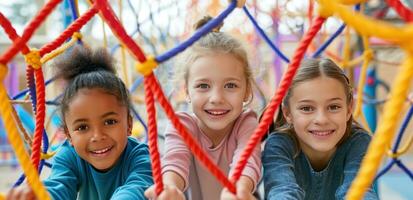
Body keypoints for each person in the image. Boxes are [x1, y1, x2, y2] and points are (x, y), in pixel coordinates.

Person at [6, 46, 153, 200]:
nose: (97, 136)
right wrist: (41, 195)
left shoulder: (139, 155)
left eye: (110, 122)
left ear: (129, 124)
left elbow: (137, 187)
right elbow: (58, 186)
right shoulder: (69, 156)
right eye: (82, 127)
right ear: (68, 134)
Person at [145, 16, 261, 200]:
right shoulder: (181, 125)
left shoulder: (247, 123)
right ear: (187, 91)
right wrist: (169, 187)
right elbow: (175, 161)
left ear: (247, 90)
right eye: (203, 86)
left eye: (230, 85)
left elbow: (247, 161)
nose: (216, 98)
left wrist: (238, 189)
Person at [262, 58, 379, 200]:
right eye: (307, 108)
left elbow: (358, 191)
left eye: (333, 107)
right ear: (288, 113)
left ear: (349, 110)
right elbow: (281, 190)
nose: (322, 119)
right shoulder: (279, 145)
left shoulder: (358, 143)